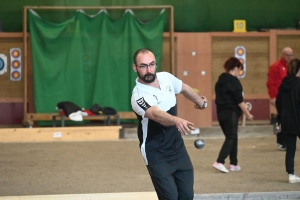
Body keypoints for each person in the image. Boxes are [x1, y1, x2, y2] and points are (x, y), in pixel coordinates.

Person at [131, 48, 207, 199]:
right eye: (143, 66)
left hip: (177, 148)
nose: (149, 70)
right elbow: (156, 115)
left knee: (186, 196)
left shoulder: (166, 77)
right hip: (156, 153)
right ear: (135, 68)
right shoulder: (138, 96)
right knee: (170, 197)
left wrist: (199, 101)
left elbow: (183, 88)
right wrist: (176, 120)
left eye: (152, 64)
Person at [213, 57, 253, 173]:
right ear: (235, 68)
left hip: (220, 113)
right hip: (231, 114)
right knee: (231, 137)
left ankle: (234, 163)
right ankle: (219, 161)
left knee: (232, 137)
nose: (239, 72)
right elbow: (239, 101)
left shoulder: (219, 82)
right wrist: (248, 114)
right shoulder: (234, 82)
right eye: (239, 70)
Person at [276, 58, 300, 184]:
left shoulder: (283, 84)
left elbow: (278, 102)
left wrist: (280, 119)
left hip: (287, 121)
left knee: (290, 148)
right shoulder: (298, 83)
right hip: (298, 119)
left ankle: (291, 174)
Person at [266, 47, 293, 151]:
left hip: (291, 97)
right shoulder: (275, 67)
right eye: (287, 55)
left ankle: (289, 139)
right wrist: (273, 96)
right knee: (282, 119)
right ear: (282, 55)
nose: (289, 57)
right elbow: (271, 83)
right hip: (280, 98)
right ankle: (281, 141)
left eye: (291, 55)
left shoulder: (292, 67)